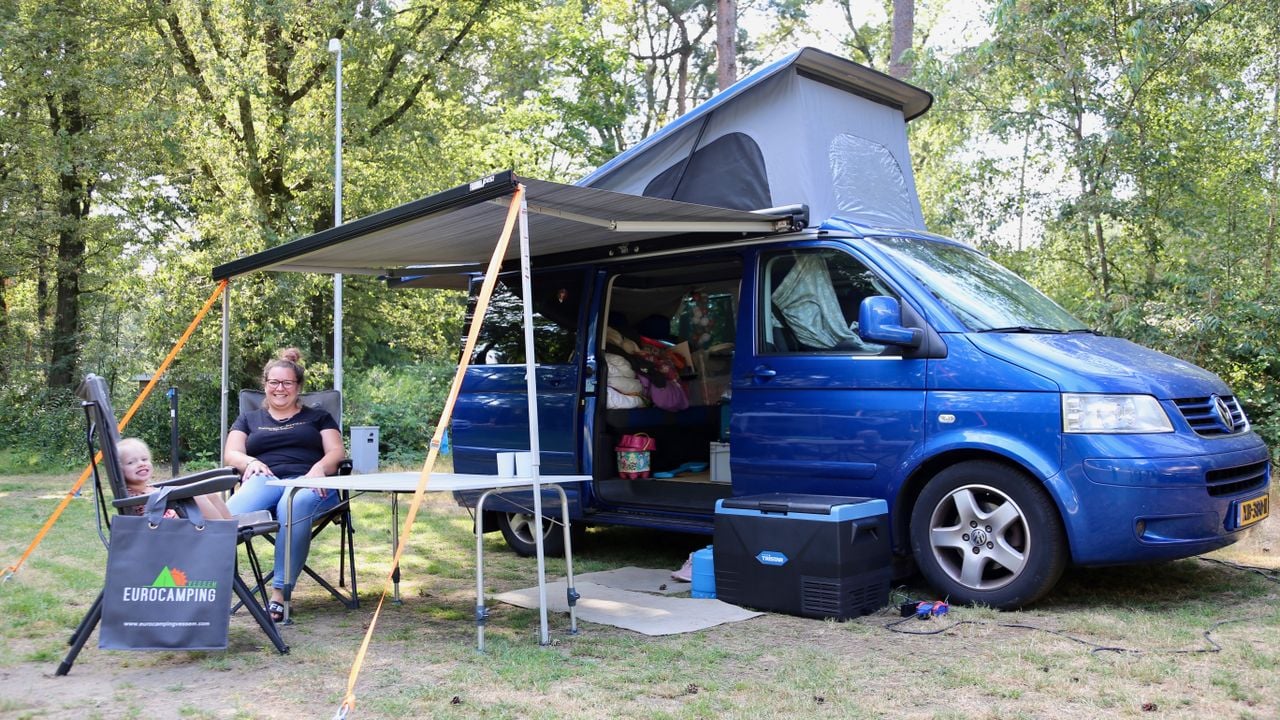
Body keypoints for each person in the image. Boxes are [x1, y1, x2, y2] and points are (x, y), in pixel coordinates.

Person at [223, 350, 345, 621]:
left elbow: (336, 452)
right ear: (265, 385)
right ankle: (203, 588)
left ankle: (279, 594)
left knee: (294, 503)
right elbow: (231, 453)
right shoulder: (249, 419)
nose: (280, 389)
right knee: (222, 520)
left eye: (287, 383)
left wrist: (319, 467)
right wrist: (249, 461)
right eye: (273, 383)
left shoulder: (318, 417)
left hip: (309, 484)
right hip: (265, 480)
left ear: (298, 387)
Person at [118, 437, 232, 520]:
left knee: (210, 494)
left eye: (144, 459)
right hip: (169, 531)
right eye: (131, 462)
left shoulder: (146, 488)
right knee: (198, 495)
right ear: (120, 470)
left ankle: (231, 526)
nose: (141, 464)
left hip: (178, 517)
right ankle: (222, 534)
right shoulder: (133, 496)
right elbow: (149, 520)